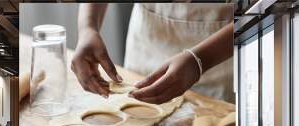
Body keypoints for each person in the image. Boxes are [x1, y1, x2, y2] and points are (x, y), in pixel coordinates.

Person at [71, 3, 234, 104]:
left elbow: (260, 12)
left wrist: (201, 59)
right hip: (145, 43)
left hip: (225, 56)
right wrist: (88, 27)